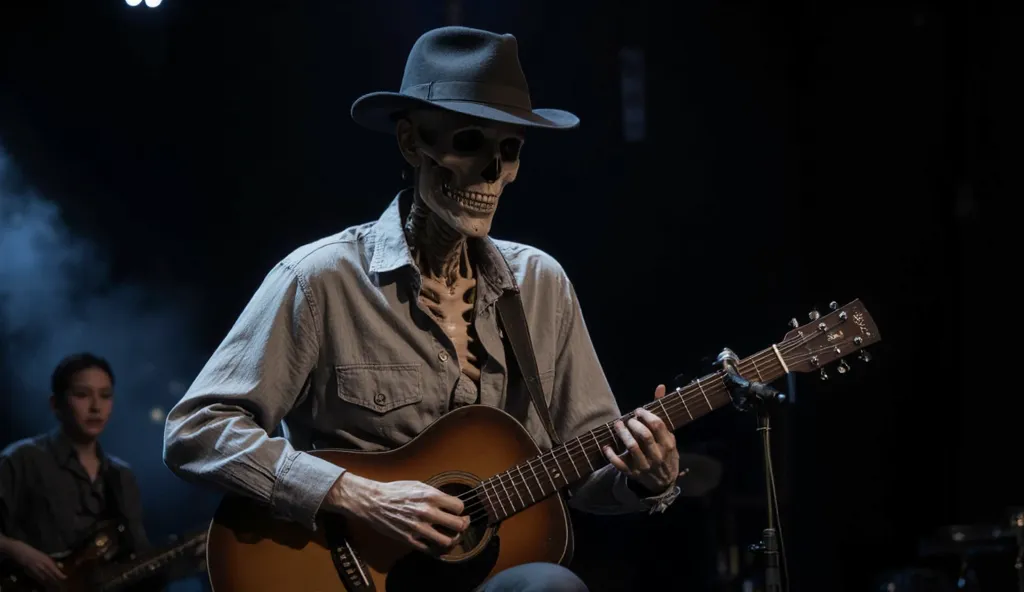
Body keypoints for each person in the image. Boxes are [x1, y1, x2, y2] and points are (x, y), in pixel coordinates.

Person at [162, 26, 683, 590]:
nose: (490, 173)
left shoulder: (541, 285)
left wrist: (644, 479)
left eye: (508, 152)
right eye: (468, 143)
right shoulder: (321, 279)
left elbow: (584, 472)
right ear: (411, 143)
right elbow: (195, 430)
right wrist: (359, 496)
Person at [0, 352, 153, 588]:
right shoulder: (22, 459)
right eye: (82, 395)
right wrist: (19, 552)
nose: (96, 407)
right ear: (56, 404)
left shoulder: (121, 476)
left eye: (105, 396)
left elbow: (139, 557)